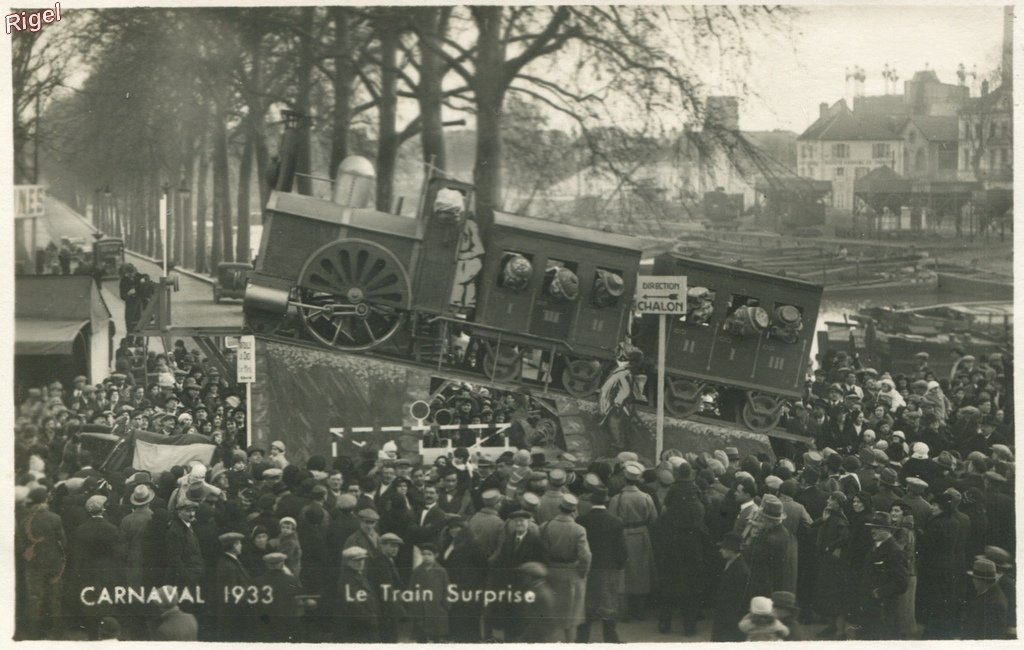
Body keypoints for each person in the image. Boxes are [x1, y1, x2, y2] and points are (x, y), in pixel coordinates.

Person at [538, 493, 591, 641]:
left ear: (559, 508)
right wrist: (582, 572)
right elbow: (585, 556)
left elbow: (542, 552)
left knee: (551, 617)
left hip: (550, 573)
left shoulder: (545, 526)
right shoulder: (579, 529)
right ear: (574, 510)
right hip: (571, 575)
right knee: (570, 620)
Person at [576, 486, 626, 642]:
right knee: (608, 604)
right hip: (608, 568)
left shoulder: (581, 520)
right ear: (607, 500)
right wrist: (619, 566)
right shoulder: (616, 521)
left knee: (586, 605)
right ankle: (611, 639)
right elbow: (622, 550)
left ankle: (582, 640)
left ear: (591, 501)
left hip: (587, 568)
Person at [608, 460, 656, 621]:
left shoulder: (617, 498)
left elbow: (612, 520)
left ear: (625, 479)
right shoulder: (646, 497)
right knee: (642, 572)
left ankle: (625, 612)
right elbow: (653, 518)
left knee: (624, 573)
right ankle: (640, 611)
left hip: (624, 534)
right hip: (642, 535)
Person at [857, 511, 908, 640]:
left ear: (888, 530)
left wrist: (879, 592)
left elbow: (902, 583)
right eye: (872, 527)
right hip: (870, 607)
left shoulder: (894, 551)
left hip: (884, 608)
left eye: (878, 528)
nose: (873, 531)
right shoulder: (874, 546)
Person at [598, 349, 644, 453]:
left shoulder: (623, 371)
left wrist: (618, 403)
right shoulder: (625, 372)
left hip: (616, 405)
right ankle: (619, 446)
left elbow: (623, 389)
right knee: (616, 425)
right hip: (617, 405)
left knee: (616, 425)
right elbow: (624, 390)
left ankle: (619, 446)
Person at [334, 546, 381, 642]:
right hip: (357, 627)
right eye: (357, 560)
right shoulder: (348, 580)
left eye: (363, 560)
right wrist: (369, 618)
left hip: (365, 624)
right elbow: (353, 605)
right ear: (348, 562)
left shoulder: (359, 575)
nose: (361, 563)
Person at [407, 543, 451, 642]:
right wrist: (413, 605)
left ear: (435, 555)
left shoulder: (441, 571)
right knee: (421, 637)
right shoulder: (417, 571)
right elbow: (411, 589)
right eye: (424, 554)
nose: (426, 557)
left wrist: (445, 606)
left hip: (437, 610)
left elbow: (447, 589)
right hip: (421, 610)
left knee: (437, 638)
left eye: (429, 554)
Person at [711, 532, 750, 642]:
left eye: (723, 548)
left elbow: (735, 601)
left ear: (731, 550)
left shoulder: (740, 571)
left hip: (729, 620)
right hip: (725, 616)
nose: (720, 550)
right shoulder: (733, 563)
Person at [962, 557, 1009, 639]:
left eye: (974, 578)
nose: (973, 581)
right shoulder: (990, 595)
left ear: (981, 580)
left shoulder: (993, 604)